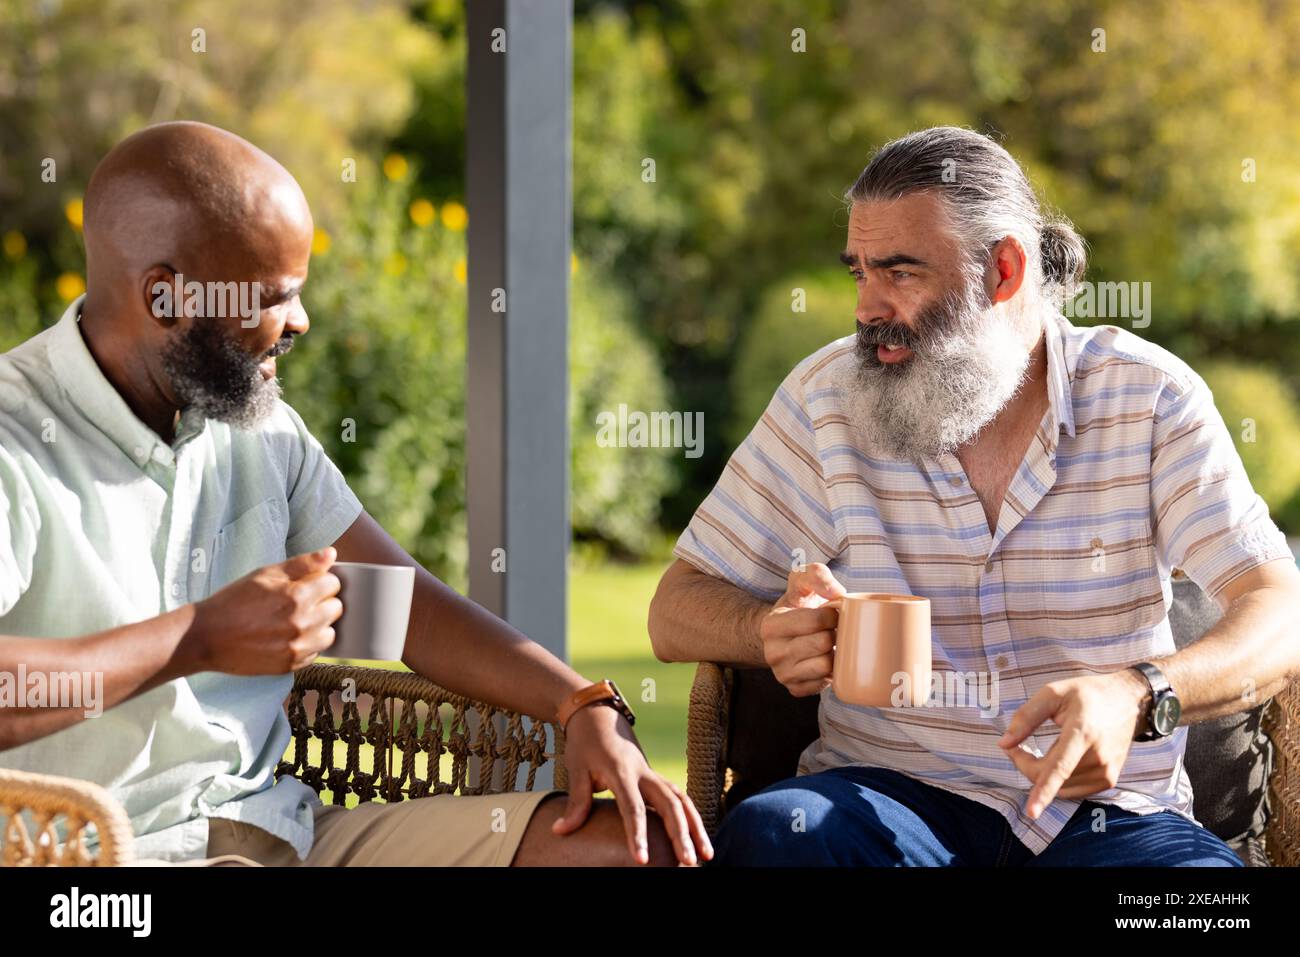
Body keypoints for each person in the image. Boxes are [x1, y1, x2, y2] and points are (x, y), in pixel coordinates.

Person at [0, 121, 710, 867]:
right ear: (167, 297)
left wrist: (581, 703)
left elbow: (404, 609)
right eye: (274, 298)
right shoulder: (18, 440)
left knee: (641, 851)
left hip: (281, 834)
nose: (299, 322)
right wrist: (199, 637)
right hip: (90, 865)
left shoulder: (261, 430)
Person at [648, 126, 1300, 866]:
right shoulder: (825, 399)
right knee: (773, 838)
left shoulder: (1148, 397)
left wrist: (1137, 694)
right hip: (883, 803)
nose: (867, 306)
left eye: (899, 272)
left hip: (1108, 822)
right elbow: (672, 610)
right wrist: (768, 628)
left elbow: (1281, 613)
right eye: (859, 271)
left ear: (1006, 270)